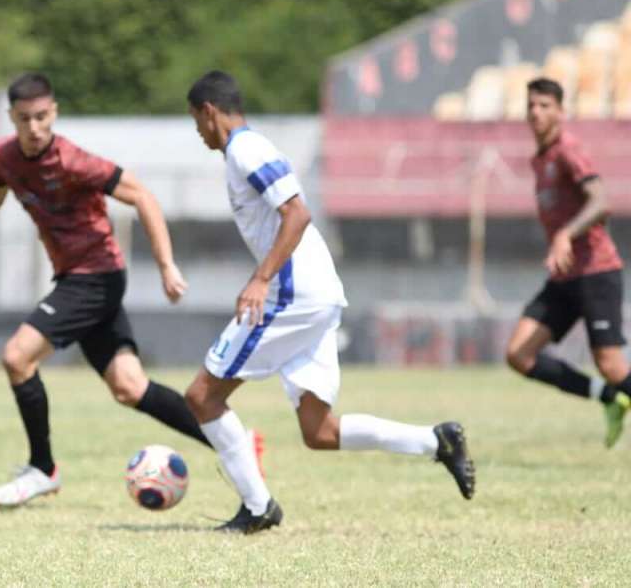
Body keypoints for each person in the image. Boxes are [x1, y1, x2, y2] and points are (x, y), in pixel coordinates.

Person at [181, 70, 476, 535]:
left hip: (292, 295)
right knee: (320, 433)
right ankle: (436, 441)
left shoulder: (245, 149)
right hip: (315, 294)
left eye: (196, 121)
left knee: (202, 396)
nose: (198, 132)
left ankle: (258, 508)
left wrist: (260, 279)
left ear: (209, 111)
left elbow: (297, 212)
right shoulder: (246, 149)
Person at [0, 72, 228, 507]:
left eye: (42, 117)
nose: (34, 128)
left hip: (96, 275)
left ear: (55, 114)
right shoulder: (4, 157)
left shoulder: (73, 161)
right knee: (129, 386)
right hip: (76, 278)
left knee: (17, 356)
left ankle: (43, 469)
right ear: (11, 117)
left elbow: (143, 196)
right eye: (24, 118)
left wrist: (166, 266)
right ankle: (234, 444)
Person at [504, 77, 631, 447]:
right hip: (564, 277)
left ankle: (614, 389)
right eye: (531, 105)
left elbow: (600, 202)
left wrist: (564, 235)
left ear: (560, 111)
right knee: (519, 354)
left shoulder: (567, 151)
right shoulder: (540, 159)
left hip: (596, 272)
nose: (536, 112)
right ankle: (609, 398)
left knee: (611, 365)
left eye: (544, 105)